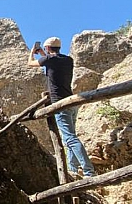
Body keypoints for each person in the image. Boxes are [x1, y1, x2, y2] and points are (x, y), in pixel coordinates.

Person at [28, 36, 96, 177]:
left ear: (47, 48)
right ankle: (73, 168)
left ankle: (89, 171)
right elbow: (50, 61)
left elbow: (30, 63)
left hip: (60, 103)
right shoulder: (67, 60)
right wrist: (43, 53)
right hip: (71, 102)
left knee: (70, 138)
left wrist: (32, 51)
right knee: (69, 137)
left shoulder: (50, 60)